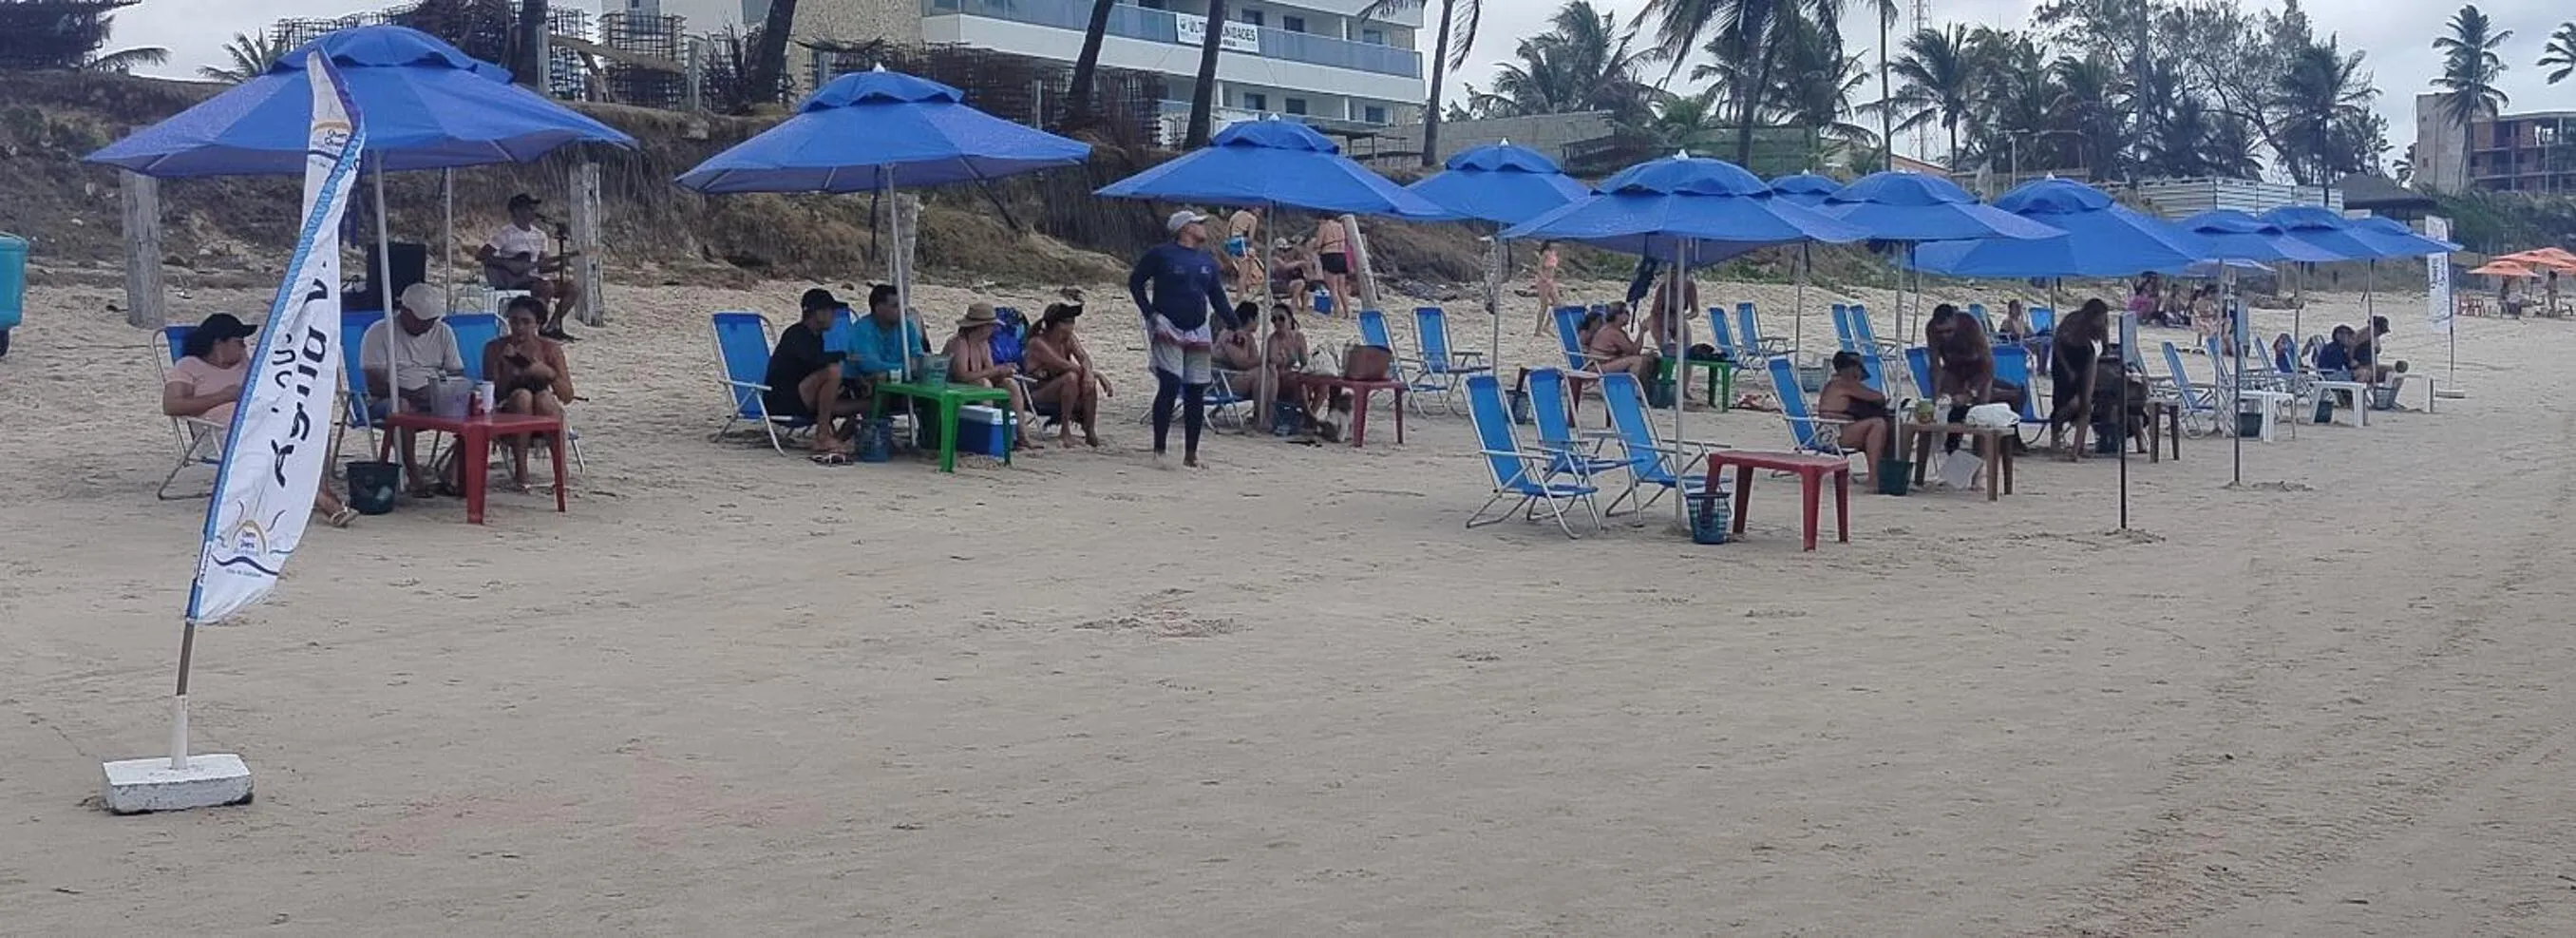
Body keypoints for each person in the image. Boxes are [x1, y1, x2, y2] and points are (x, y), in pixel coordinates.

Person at [163, 313, 357, 526]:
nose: (245, 347)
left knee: (312, 426)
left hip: (260, 423)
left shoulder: (244, 365)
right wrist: (223, 396)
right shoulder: (188, 366)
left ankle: (322, 489)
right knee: (271, 446)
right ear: (219, 343)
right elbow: (172, 405)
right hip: (219, 433)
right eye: (239, 342)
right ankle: (321, 499)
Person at [1131, 209, 1230, 468]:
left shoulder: (1207, 261)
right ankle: (1160, 450)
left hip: (1199, 328)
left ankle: (1191, 454)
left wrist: (1236, 325)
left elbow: (1217, 297)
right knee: (1170, 384)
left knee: (1196, 391)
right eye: (1198, 224)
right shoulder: (1161, 254)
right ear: (1185, 228)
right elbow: (1135, 282)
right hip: (1167, 326)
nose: (1203, 228)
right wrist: (1150, 314)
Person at [362, 283, 467, 496]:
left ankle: (452, 472)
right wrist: (411, 393)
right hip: (388, 399)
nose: (427, 326)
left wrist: (437, 389)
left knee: (472, 406)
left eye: (431, 321)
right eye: (422, 322)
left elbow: (456, 372)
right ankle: (414, 476)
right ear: (406, 312)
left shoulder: (443, 332)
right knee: (401, 406)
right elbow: (374, 384)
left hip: (432, 396)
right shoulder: (380, 332)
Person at [764, 287, 869, 463]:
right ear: (818, 313)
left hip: (807, 397)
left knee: (867, 403)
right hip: (785, 401)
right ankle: (822, 436)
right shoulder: (796, 333)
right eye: (831, 311)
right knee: (833, 371)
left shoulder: (817, 336)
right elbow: (813, 361)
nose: (834, 316)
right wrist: (843, 356)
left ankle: (838, 440)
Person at [482, 296, 575, 488]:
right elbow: (491, 392)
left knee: (543, 398)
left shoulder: (549, 349)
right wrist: (503, 366)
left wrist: (548, 374)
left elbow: (567, 396)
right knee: (522, 397)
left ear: (538, 323)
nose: (519, 327)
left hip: (544, 409)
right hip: (508, 407)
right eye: (514, 321)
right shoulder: (494, 348)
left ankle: (561, 472)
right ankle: (521, 472)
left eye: (526, 322)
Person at [476, 193, 584, 341]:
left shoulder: (540, 235)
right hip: (514, 280)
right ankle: (537, 328)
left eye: (533, 208)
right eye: (528, 208)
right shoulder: (506, 233)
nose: (533, 211)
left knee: (573, 287)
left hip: (534, 278)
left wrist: (560, 265)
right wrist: (510, 264)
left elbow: (541, 266)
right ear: (517, 211)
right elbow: (482, 256)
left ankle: (551, 327)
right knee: (546, 286)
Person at [943, 303, 1038, 452]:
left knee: (1010, 384)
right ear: (981, 327)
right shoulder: (959, 343)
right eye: (991, 326)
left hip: (977, 383)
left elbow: (989, 370)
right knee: (984, 384)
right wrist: (997, 370)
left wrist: (1003, 372)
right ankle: (986, 433)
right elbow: (961, 375)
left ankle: (1022, 437)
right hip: (955, 386)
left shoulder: (984, 344)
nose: (994, 329)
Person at [1024, 304, 1110, 448]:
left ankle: (1090, 431)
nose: (1073, 325)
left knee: (1086, 381)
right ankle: (1065, 432)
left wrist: (1090, 373)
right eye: (1070, 321)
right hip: (1037, 392)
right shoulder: (1037, 343)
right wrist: (1098, 375)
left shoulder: (1068, 339)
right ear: (1059, 325)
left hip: (1060, 388)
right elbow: (1064, 365)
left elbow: (1084, 359)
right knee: (1071, 378)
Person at [2047, 298, 2112, 458]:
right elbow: (2057, 344)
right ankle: (2056, 433)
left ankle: (2077, 448)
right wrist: (2068, 370)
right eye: (2100, 317)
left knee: (2085, 403)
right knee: (2062, 401)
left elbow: (2105, 344)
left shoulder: (2101, 324)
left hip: (2085, 356)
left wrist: (2106, 351)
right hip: (2064, 360)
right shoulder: (2073, 321)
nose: (2103, 321)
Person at [1816, 351, 1891, 482]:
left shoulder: (1840, 383)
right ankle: (1874, 478)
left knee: (1891, 426)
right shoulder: (1843, 383)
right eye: (1858, 367)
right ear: (1852, 369)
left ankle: (1887, 475)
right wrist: (1859, 379)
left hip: (1840, 430)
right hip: (1833, 434)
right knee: (1878, 424)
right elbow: (1879, 398)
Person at [1585, 304, 1658, 382]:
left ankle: (1647, 388)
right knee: (1637, 361)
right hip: (1599, 366)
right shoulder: (1613, 332)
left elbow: (1632, 348)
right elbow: (1634, 352)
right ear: (1617, 316)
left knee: (1651, 358)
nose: (1629, 315)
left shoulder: (1616, 330)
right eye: (1626, 313)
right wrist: (1642, 331)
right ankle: (1632, 387)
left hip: (1607, 362)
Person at [1213, 302, 1263, 403]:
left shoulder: (1249, 337)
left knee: (1269, 373)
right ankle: (1260, 416)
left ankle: (1267, 414)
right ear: (1250, 319)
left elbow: (1254, 361)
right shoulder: (1231, 335)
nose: (1259, 321)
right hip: (1220, 382)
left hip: (1234, 377)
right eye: (1258, 317)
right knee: (1261, 375)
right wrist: (1266, 359)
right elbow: (1241, 363)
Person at [1313, 214, 1352, 315]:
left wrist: (1314, 249)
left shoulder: (1324, 226)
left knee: (1333, 288)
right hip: (1341, 255)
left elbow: (1318, 243)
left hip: (1329, 255)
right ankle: (1348, 311)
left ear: (1322, 218)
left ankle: (1337, 311)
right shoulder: (1340, 226)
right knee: (1341, 287)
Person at [1222, 209, 1262, 297]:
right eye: (1259, 208)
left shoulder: (1237, 213)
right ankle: (1240, 296)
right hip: (1241, 243)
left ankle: (1245, 289)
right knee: (1243, 274)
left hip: (1231, 242)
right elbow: (1250, 238)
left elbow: (1228, 230)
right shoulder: (1252, 218)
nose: (1260, 211)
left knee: (1241, 271)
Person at [1531, 240, 1561, 336]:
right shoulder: (1545, 253)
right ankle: (1538, 330)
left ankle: (1547, 325)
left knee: (1557, 303)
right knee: (1544, 305)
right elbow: (1538, 268)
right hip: (1543, 280)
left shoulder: (1554, 253)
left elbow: (1553, 268)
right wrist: (1544, 279)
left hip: (1551, 280)